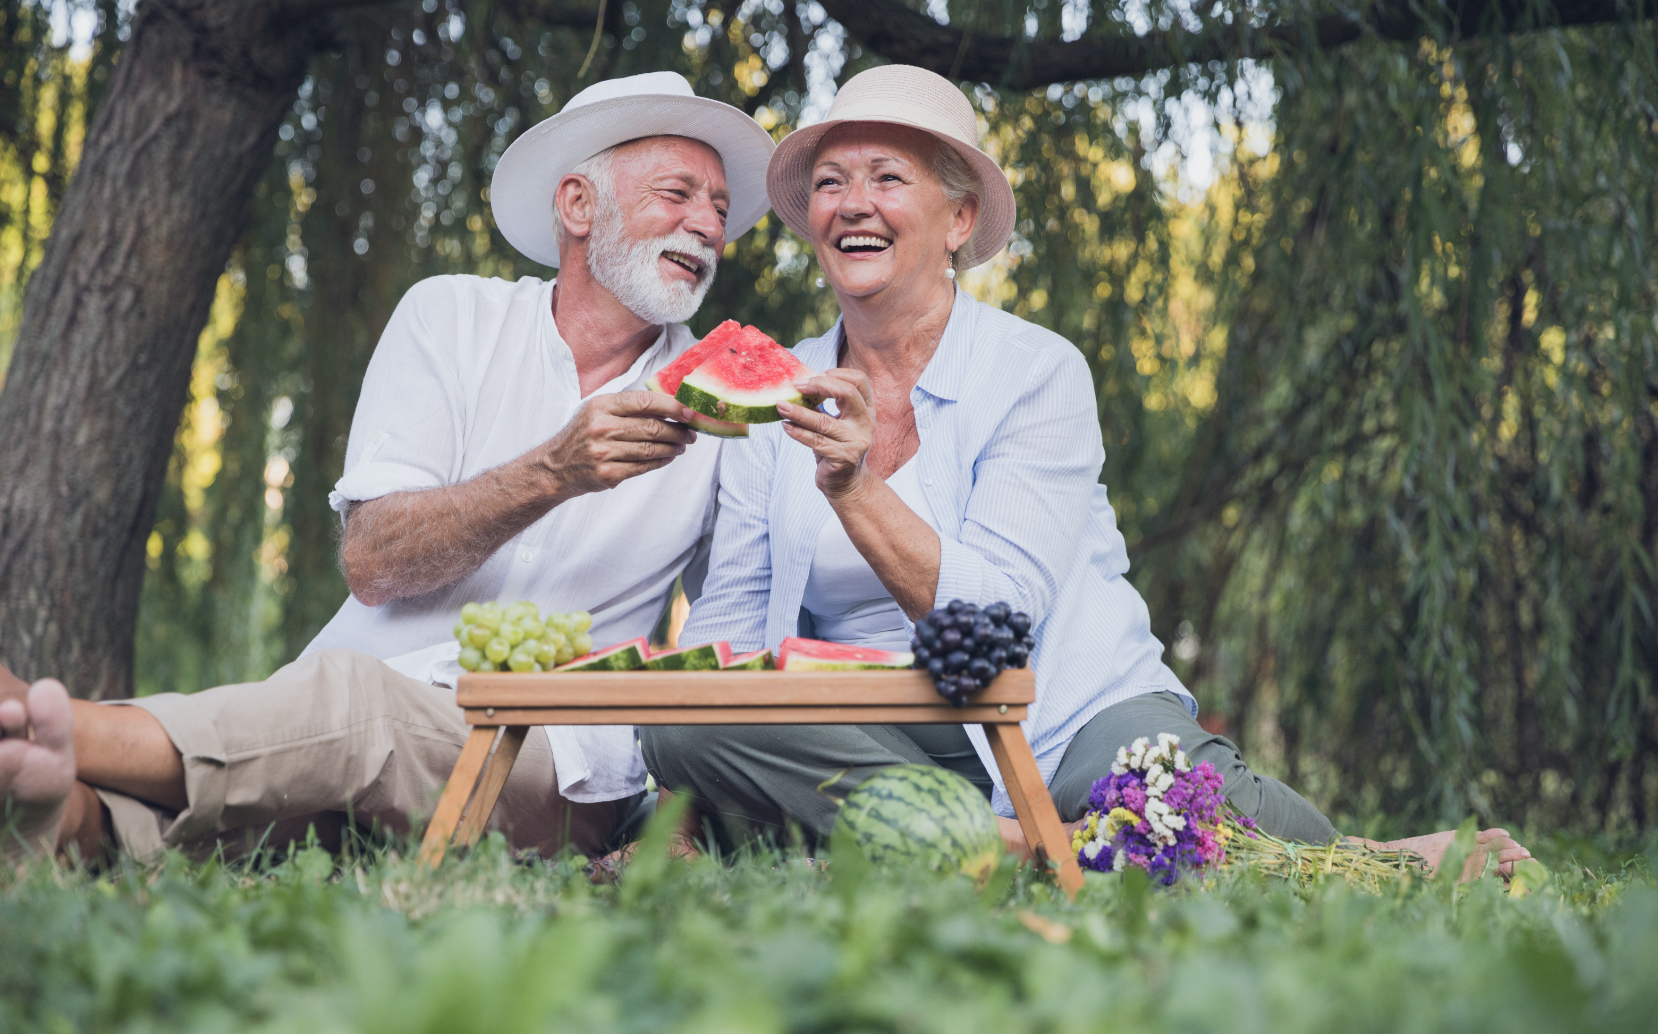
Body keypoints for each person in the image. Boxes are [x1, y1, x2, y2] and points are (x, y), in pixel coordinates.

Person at [639, 65, 1533, 878]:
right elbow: (730, 620)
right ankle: (1023, 844)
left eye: (886, 178)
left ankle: (1379, 861)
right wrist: (683, 765)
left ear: (957, 220)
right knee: (685, 720)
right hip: (877, 725)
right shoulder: (775, 390)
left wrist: (856, 488)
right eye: (831, 183)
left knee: (1194, 815)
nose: (851, 203)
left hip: (1063, 711)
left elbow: (998, 623)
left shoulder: (1038, 373)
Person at [0, 72, 775, 864]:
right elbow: (372, 562)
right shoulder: (449, 319)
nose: (707, 225)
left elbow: (726, 645)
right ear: (578, 205)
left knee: (360, 711)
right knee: (297, 807)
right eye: (678, 193)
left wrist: (677, 818)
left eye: (719, 208)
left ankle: (32, 715)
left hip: (562, 761)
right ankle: (74, 823)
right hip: (338, 711)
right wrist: (553, 471)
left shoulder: (734, 417)